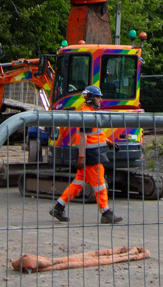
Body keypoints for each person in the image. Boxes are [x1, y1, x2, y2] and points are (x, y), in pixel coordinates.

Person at [51, 85, 120, 225]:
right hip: (92, 156)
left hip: (93, 154)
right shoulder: (87, 114)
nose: (100, 99)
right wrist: (81, 157)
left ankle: (58, 207)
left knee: (78, 183)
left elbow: (94, 134)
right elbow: (83, 136)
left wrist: (108, 142)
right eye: (97, 97)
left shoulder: (90, 113)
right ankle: (106, 212)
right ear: (90, 99)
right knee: (100, 184)